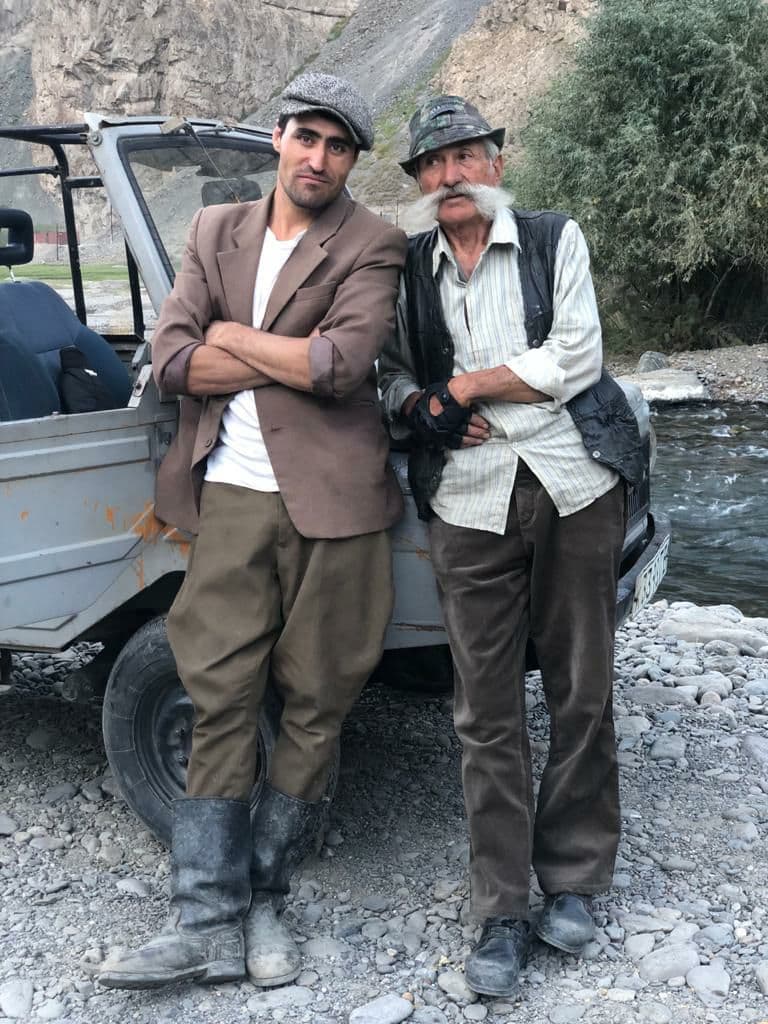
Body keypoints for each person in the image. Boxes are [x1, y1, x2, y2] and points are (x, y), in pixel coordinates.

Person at [99, 72, 407, 991]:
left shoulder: (373, 241)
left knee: (316, 700)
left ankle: (267, 895)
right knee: (218, 692)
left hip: (337, 506)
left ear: (351, 161)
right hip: (231, 495)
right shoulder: (213, 230)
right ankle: (206, 920)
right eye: (307, 137)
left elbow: (341, 366)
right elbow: (171, 360)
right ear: (278, 138)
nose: (319, 158)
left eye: (338, 146)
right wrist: (277, 357)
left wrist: (231, 338)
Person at [378, 95, 645, 999]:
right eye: (433, 162)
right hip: (466, 500)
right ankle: (500, 906)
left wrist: (463, 388)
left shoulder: (551, 238)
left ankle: (573, 879)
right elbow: (390, 377)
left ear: (496, 161)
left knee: (581, 687)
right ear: (420, 180)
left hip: (575, 485)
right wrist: (421, 406)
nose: (450, 175)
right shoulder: (409, 267)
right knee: (483, 707)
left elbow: (574, 359)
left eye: (466, 155)